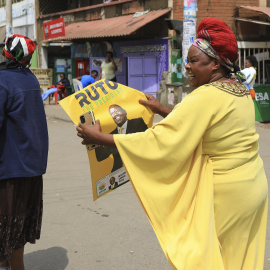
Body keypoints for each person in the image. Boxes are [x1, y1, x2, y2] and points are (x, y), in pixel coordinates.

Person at [76, 17, 268, 269]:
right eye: (187, 60)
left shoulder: (203, 97)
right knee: (238, 259)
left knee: (207, 259)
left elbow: (160, 142)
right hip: (252, 188)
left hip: (226, 197)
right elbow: (207, 126)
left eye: (194, 61)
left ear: (215, 64)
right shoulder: (240, 91)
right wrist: (165, 110)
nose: (187, 66)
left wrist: (99, 137)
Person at [0, 34, 48, 270]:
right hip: (32, 164)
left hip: (11, 167)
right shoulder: (29, 79)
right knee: (16, 222)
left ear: (5, 53)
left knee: (9, 225)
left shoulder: (2, 81)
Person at [95, 104, 148, 173]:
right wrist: (96, 135)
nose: (115, 114)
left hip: (138, 167)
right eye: (112, 113)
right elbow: (101, 157)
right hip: (119, 174)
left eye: (117, 111)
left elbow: (146, 141)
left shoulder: (137, 122)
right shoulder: (111, 135)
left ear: (125, 112)